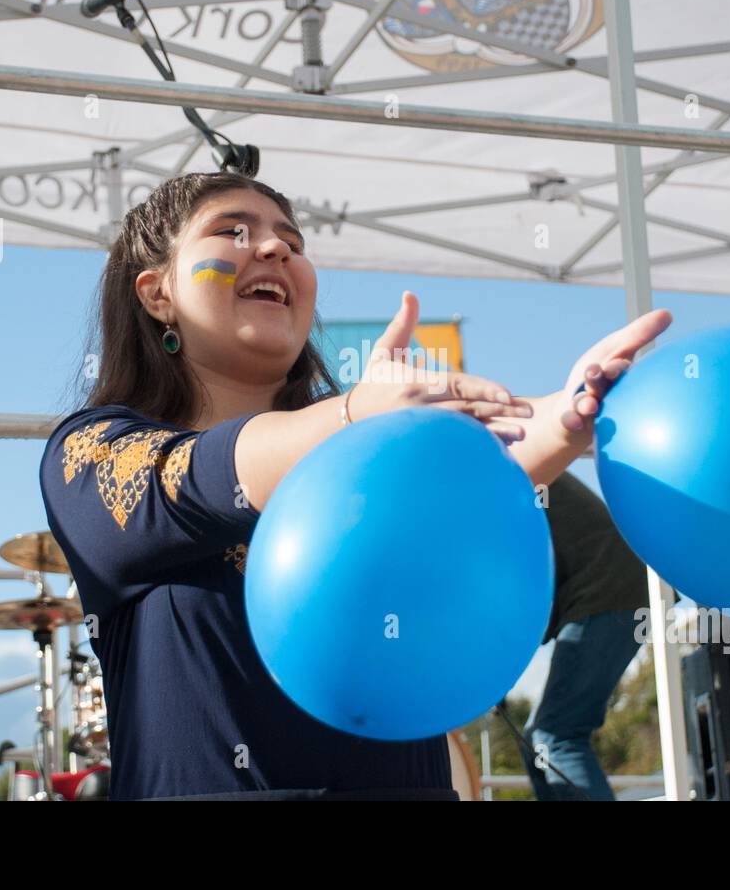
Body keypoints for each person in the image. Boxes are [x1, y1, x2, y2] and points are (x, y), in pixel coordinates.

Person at [38, 171, 672, 800]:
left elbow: (472, 467)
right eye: (233, 231)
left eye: (293, 240)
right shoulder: (91, 454)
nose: (276, 248)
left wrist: (569, 411)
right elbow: (206, 475)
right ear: (156, 294)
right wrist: (359, 418)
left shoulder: (362, 447)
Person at [519, 470, 648, 801]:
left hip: (607, 592)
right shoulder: (508, 465)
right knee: (538, 738)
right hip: (620, 589)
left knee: (556, 736)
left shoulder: (491, 474)